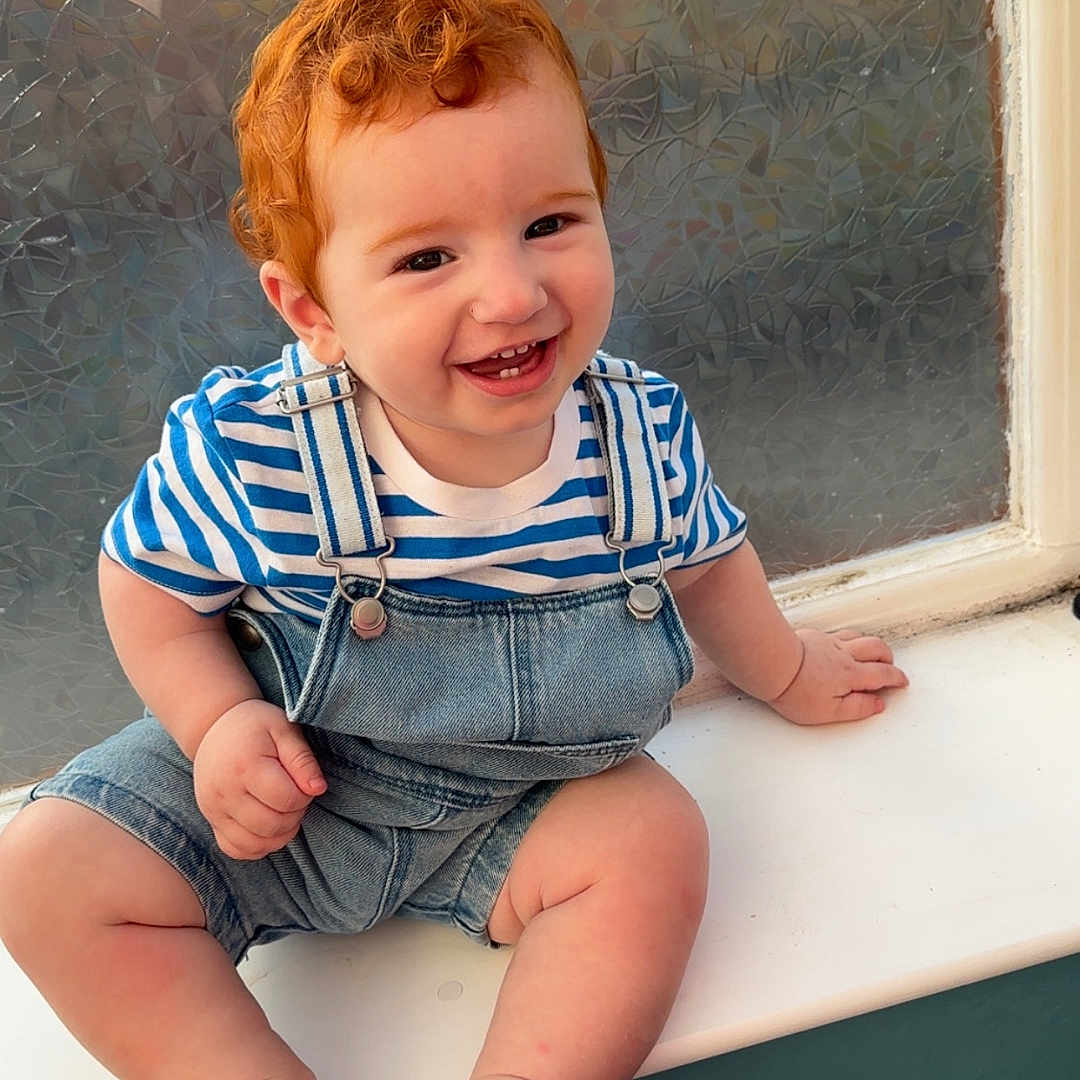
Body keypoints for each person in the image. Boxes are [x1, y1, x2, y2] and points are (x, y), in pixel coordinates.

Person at [0, 1, 909, 1077]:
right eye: (429, 257)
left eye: (551, 224)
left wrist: (788, 666)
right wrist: (217, 724)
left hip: (518, 809)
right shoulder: (256, 451)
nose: (511, 294)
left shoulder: (635, 432)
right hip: (293, 797)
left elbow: (708, 562)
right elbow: (143, 583)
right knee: (47, 868)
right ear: (312, 310)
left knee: (654, 838)